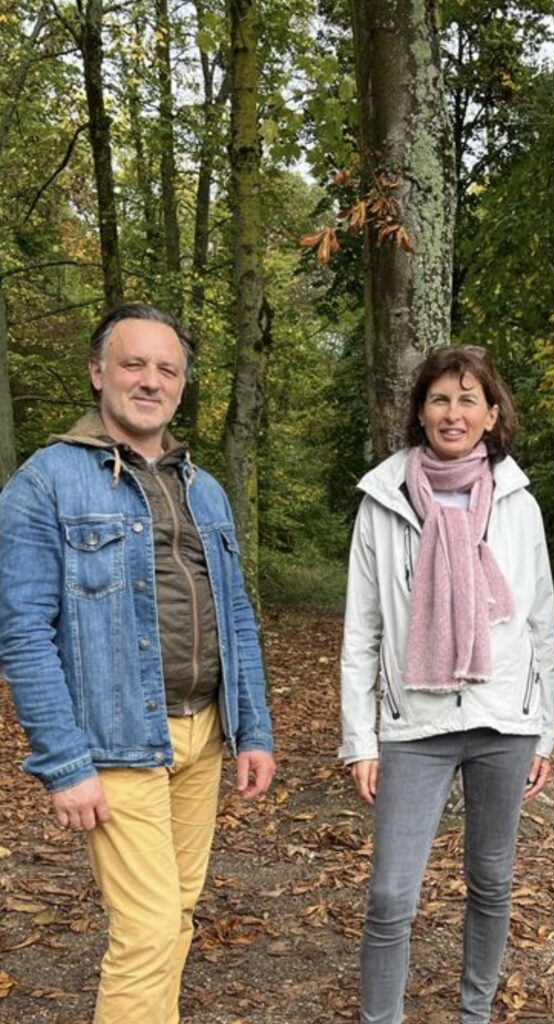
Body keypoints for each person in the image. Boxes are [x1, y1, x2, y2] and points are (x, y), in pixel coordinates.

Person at [0, 303, 275, 1024]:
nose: (150, 381)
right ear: (97, 373)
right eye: (133, 364)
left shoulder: (203, 487)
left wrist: (254, 732)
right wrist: (64, 763)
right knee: (148, 930)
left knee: (177, 913)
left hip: (205, 734)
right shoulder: (46, 482)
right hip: (118, 741)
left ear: (181, 386)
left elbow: (236, 615)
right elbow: (25, 631)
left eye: (167, 369)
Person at [339, 345, 554, 1024]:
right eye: (440, 398)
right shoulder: (384, 498)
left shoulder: (519, 503)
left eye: (469, 399)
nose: (453, 412)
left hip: (504, 723)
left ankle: (475, 1015)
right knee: (390, 895)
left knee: (491, 883)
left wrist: (545, 724)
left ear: (492, 415)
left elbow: (541, 619)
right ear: (421, 411)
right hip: (416, 727)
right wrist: (360, 739)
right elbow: (360, 630)